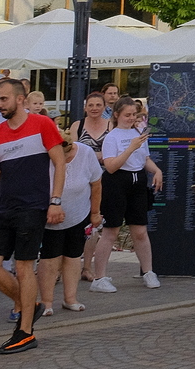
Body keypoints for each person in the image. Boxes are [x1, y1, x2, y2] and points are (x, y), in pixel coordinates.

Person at [0, 76, 71, 356]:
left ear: (20, 99)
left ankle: (25, 332)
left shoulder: (42, 124)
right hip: (4, 207)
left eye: (3, 98)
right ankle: (30, 305)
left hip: (33, 206)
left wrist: (55, 201)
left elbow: (59, 162)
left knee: (24, 267)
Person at [96, 99, 163, 293]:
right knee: (111, 231)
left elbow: (145, 159)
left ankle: (148, 271)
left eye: (134, 115)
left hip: (137, 181)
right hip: (117, 182)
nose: (131, 118)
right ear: (117, 115)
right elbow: (110, 166)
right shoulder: (112, 137)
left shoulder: (137, 134)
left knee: (140, 231)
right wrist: (130, 148)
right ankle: (99, 276)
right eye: (127, 115)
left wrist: (156, 170)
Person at [34, 136, 101, 318]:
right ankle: (46, 302)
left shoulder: (86, 153)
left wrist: (95, 212)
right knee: (50, 257)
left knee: (73, 255)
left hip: (79, 213)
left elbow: (96, 185)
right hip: (49, 215)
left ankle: (70, 298)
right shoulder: (42, 156)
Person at [68, 92, 112, 285]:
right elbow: (69, 150)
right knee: (75, 222)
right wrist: (98, 155)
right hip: (80, 180)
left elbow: (114, 150)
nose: (94, 108)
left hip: (104, 179)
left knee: (94, 224)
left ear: (104, 107)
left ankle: (87, 267)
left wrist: (92, 155)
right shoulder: (77, 126)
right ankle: (68, 266)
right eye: (91, 105)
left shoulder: (111, 125)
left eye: (98, 105)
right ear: (85, 107)